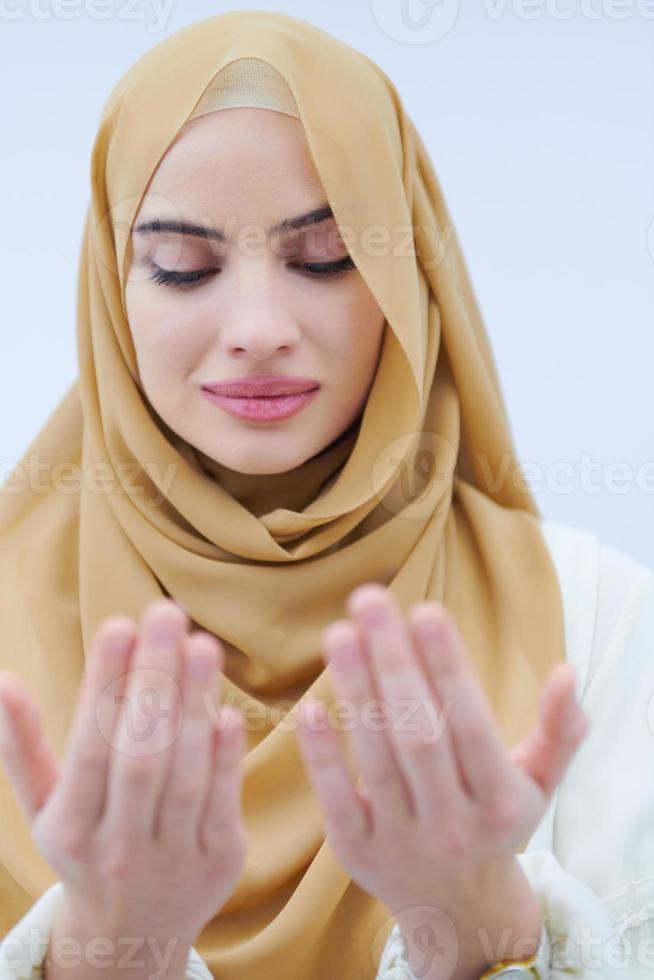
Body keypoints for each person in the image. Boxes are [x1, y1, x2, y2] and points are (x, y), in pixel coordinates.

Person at [0, 9, 652, 980]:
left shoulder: (596, 623)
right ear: (110, 288)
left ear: (408, 274)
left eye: (327, 257)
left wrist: (477, 926)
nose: (258, 326)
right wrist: (102, 948)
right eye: (183, 266)